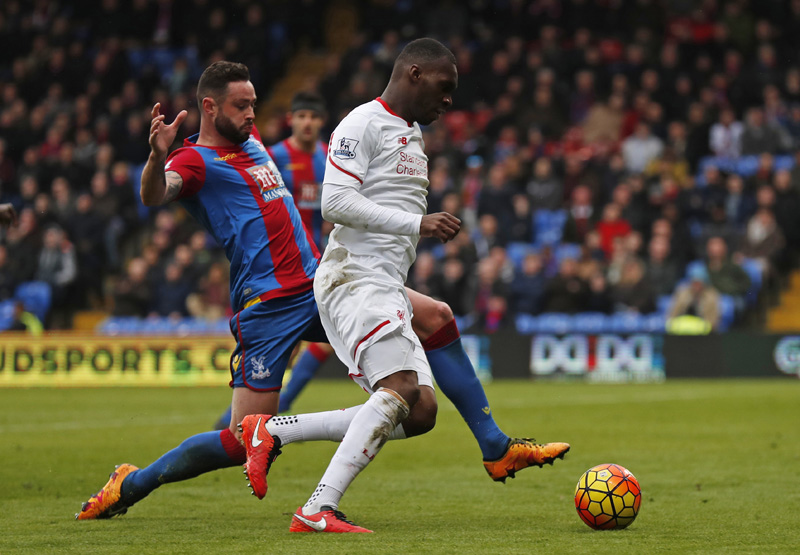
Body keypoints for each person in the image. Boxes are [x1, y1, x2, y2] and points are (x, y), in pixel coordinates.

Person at [76, 59, 568, 524]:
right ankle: (131, 484)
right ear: (209, 107)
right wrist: (157, 157)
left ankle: (495, 446)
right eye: (240, 106)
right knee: (234, 442)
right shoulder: (196, 160)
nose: (251, 114)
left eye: (253, 104)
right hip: (266, 307)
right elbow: (156, 193)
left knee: (435, 318)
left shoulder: (252, 144)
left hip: (315, 286)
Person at [241, 39, 567, 533]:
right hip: (354, 276)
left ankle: (274, 431)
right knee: (400, 389)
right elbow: (334, 203)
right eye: (444, 86)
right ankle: (317, 509)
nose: (450, 99)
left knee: (421, 409)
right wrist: (417, 224)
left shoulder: (411, 134)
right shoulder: (361, 124)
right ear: (414, 73)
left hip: (385, 282)